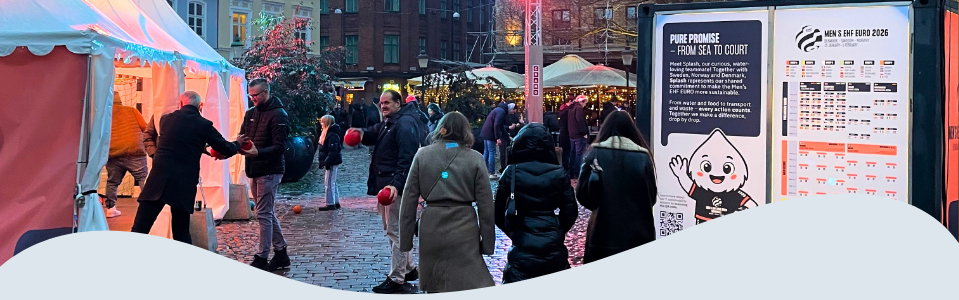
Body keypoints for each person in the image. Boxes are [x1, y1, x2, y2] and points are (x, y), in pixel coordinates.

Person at [131, 91, 246, 244]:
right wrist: (238, 143)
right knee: (181, 231)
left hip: (157, 179)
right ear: (200, 106)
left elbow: (181, 140)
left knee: (140, 228)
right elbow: (225, 147)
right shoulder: (203, 124)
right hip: (183, 182)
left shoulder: (165, 120)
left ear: (181, 103)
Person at [398, 112, 495, 293]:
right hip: (464, 226)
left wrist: (405, 240)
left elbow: (409, 198)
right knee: (468, 282)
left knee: (436, 281)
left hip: (431, 226)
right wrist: (487, 244)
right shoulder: (475, 158)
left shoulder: (422, 155)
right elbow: (486, 206)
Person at [347, 90, 427, 294]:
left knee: (397, 231)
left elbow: (407, 159)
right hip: (386, 183)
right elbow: (373, 132)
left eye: (387, 103)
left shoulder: (404, 123)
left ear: (398, 103)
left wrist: (396, 185)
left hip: (393, 186)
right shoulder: (390, 121)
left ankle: (396, 278)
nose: (383, 106)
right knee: (394, 230)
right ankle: (408, 269)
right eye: (381, 103)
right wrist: (361, 134)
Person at [494, 123, 577, 283]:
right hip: (553, 244)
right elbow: (570, 211)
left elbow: (497, 212)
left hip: (522, 242)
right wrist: (557, 230)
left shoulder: (511, 172)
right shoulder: (559, 173)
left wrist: (514, 232)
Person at [575, 111, 657, 263]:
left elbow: (582, 195)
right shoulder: (643, 156)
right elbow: (651, 197)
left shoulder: (595, 153)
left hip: (602, 233)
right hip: (638, 233)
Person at [240, 78, 291, 271]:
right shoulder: (250, 113)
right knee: (266, 212)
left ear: (265, 92)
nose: (252, 98)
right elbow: (244, 135)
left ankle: (262, 256)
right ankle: (281, 253)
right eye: (250, 95)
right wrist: (239, 143)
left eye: (255, 95)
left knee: (262, 213)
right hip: (254, 167)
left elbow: (280, 146)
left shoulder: (278, 115)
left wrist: (258, 152)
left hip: (270, 170)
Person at [104, 92, 150, 218]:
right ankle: (148, 208)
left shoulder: (103, 114)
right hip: (134, 151)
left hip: (113, 152)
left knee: (112, 182)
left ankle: (110, 208)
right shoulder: (131, 110)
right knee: (143, 179)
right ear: (120, 100)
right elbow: (145, 127)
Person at [479, 101, 512, 178]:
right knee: (492, 152)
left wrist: (507, 136)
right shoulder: (501, 112)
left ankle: (483, 170)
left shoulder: (498, 110)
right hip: (491, 134)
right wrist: (497, 138)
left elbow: (500, 126)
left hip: (486, 132)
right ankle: (492, 172)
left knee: (486, 152)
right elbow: (497, 125)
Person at [316, 115, 343, 211]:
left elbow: (333, 150)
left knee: (329, 182)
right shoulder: (327, 133)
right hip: (330, 161)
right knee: (332, 182)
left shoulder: (331, 135)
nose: (321, 124)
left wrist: (326, 162)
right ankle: (335, 201)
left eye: (322, 122)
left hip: (331, 162)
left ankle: (330, 203)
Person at [567, 95, 589, 183]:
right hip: (579, 135)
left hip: (572, 134)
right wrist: (584, 133)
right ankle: (577, 173)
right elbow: (580, 121)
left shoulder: (571, 108)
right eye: (585, 103)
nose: (585, 105)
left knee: (573, 154)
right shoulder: (579, 109)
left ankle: (571, 172)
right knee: (579, 154)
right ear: (582, 101)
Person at [557, 96, 574, 178]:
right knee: (568, 152)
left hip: (563, 133)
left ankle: (565, 168)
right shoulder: (568, 111)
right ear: (570, 101)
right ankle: (567, 169)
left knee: (566, 152)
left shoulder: (562, 110)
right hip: (567, 133)